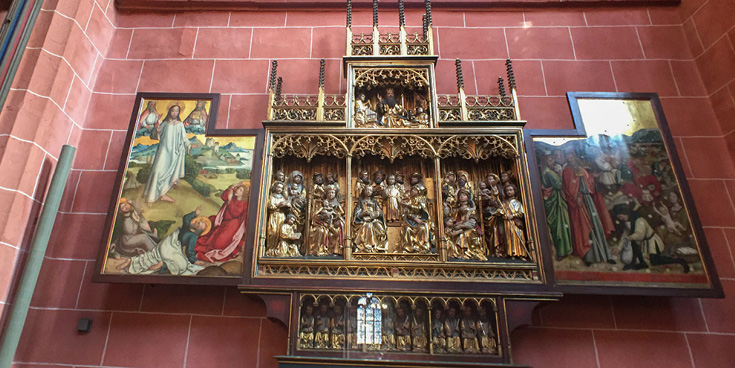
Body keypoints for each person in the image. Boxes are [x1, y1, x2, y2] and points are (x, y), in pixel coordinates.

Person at [117, 208, 210, 275]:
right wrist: (194, 213)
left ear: (199, 231)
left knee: (153, 255)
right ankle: (162, 265)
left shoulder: (190, 231)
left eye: (200, 225)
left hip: (169, 245)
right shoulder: (189, 229)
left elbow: (189, 250)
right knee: (182, 266)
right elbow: (189, 251)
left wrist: (194, 260)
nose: (197, 223)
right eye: (199, 221)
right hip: (170, 245)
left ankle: (131, 261)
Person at [562, 149, 615, 266]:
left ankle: (604, 255)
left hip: (588, 201)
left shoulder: (582, 170)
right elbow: (568, 187)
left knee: (596, 225)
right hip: (578, 203)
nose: (570, 158)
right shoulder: (567, 171)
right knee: (584, 227)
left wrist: (593, 178)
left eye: (571, 155)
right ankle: (588, 256)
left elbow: (590, 183)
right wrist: (576, 198)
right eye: (567, 156)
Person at [614, 204, 689, 273]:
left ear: (626, 213)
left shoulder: (639, 220)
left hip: (652, 242)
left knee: (655, 261)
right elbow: (624, 235)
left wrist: (631, 237)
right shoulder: (627, 221)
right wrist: (619, 248)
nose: (620, 219)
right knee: (634, 245)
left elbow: (640, 234)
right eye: (619, 217)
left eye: (621, 216)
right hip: (642, 242)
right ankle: (640, 264)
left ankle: (680, 261)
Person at [144, 104, 191, 205]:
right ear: (169, 111)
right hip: (163, 151)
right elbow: (155, 136)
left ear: (179, 113)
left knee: (168, 175)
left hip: (174, 153)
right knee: (157, 171)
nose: (175, 113)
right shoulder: (164, 123)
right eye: (173, 111)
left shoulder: (180, 124)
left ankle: (163, 194)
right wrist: (157, 130)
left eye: (177, 111)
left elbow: (184, 138)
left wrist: (189, 145)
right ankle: (151, 197)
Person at [195, 182, 248, 263]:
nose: (237, 191)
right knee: (210, 241)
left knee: (218, 245)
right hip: (224, 222)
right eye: (238, 188)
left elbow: (235, 213)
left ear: (243, 194)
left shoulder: (243, 203)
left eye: (240, 190)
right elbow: (223, 196)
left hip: (232, 225)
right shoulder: (233, 197)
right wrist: (231, 187)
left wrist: (230, 200)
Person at [540, 153, 573, 261]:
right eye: (550, 160)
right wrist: (560, 173)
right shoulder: (549, 172)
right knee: (560, 225)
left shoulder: (544, 171)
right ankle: (563, 250)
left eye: (552, 160)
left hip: (551, 200)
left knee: (557, 226)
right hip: (555, 201)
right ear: (545, 161)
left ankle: (561, 250)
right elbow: (558, 185)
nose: (552, 162)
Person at [353, 186, 388, 253]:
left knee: (381, 230)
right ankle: (367, 247)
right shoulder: (361, 202)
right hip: (363, 221)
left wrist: (375, 214)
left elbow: (380, 213)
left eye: (370, 190)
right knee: (368, 226)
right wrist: (363, 214)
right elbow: (356, 215)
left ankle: (379, 248)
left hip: (374, 220)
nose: (368, 191)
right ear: (364, 191)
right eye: (367, 190)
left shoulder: (374, 202)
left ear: (372, 192)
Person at [399, 184, 432, 253]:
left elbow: (419, 209)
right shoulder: (408, 200)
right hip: (409, 221)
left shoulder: (421, 200)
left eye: (415, 190)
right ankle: (407, 248)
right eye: (412, 189)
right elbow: (405, 213)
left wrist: (408, 206)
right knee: (406, 229)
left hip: (420, 221)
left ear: (419, 192)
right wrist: (411, 216)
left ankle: (420, 247)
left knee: (422, 228)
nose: (412, 191)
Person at [502, 184, 529, 259]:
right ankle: (511, 253)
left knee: (518, 236)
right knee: (509, 237)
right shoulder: (504, 203)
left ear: (514, 191)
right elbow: (502, 212)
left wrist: (513, 216)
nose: (509, 192)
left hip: (516, 222)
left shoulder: (518, 203)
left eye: (511, 190)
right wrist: (505, 216)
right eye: (507, 190)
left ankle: (520, 253)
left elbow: (521, 213)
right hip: (507, 223)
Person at [265, 182, 291, 256]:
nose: (279, 189)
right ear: (275, 187)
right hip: (274, 215)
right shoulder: (271, 196)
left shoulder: (283, 197)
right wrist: (278, 205)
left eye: (281, 188)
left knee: (281, 232)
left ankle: (279, 249)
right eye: (278, 187)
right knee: (273, 231)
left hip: (282, 216)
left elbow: (288, 207)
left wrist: (287, 206)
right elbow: (270, 206)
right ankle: (271, 249)